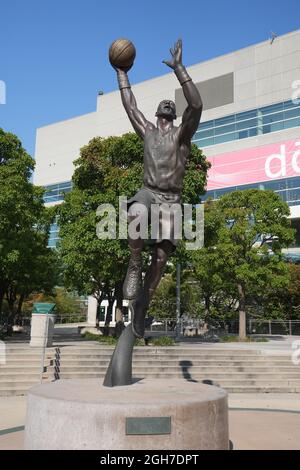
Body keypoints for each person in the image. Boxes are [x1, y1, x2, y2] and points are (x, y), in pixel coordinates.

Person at [113, 39, 202, 338]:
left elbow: (197, 104)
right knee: (135, 212)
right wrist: (121, 72)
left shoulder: (181, 136)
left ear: (175, 115)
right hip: (148, 192)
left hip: (172, 200)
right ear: (156, 113)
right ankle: (134, 264)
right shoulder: (147, 131)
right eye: (162, 106)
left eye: (170, 106)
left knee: (162, 260)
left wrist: (180, 69)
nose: (166, 105)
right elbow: (129, 105)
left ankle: (142, 306)